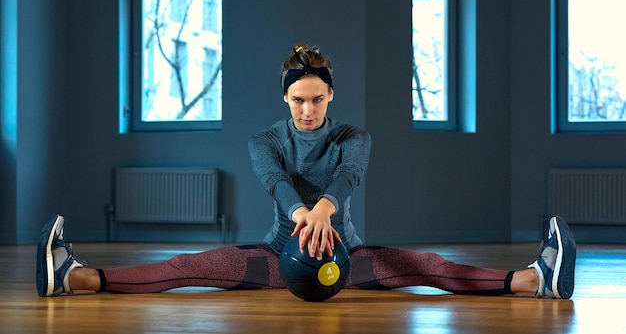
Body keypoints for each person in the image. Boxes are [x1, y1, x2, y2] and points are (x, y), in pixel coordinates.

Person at [36, 43, 576, 299]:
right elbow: (276, 182)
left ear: (330, 95)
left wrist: (323, 213)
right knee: (187, 266)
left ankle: (534, 280)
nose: (307, 110)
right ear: (285, 97)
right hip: (276, 255)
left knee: (424, 265)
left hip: (347, 257)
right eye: (298, 100)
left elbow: (349, 177)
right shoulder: (264, 140)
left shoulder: (353, 136)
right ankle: (75, 277)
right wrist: (302, 215)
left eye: (317, 99)